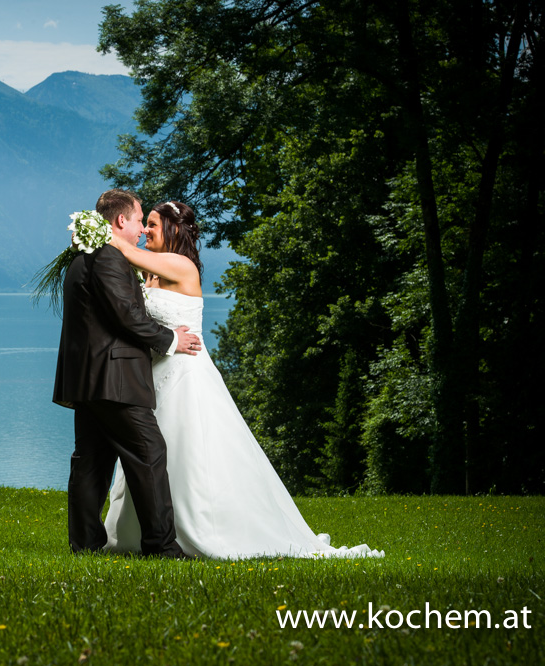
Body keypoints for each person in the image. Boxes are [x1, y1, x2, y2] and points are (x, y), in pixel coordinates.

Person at [104, 200, 384, 559]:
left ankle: (200, 529)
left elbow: (124, 249)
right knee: (152, 454)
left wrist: (96, 229)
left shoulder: (180, 265)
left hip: (185, 375)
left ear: (174, 230)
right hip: (156, 374)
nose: (145, 231)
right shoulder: (152, 274)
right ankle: (145, 532)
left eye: (153, 225)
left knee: (189, 454)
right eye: (146, 224)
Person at [53, 189, 203, 558]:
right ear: (121, 221)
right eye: (139, 220)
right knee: (149, 453)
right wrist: (170, 339)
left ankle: (85, 545)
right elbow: (127, 315)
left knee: (90, 461)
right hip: (115, 379)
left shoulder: (83, 256)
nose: (140, 229)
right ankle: (161, 546)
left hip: (89, 379)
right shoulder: (107, 257)